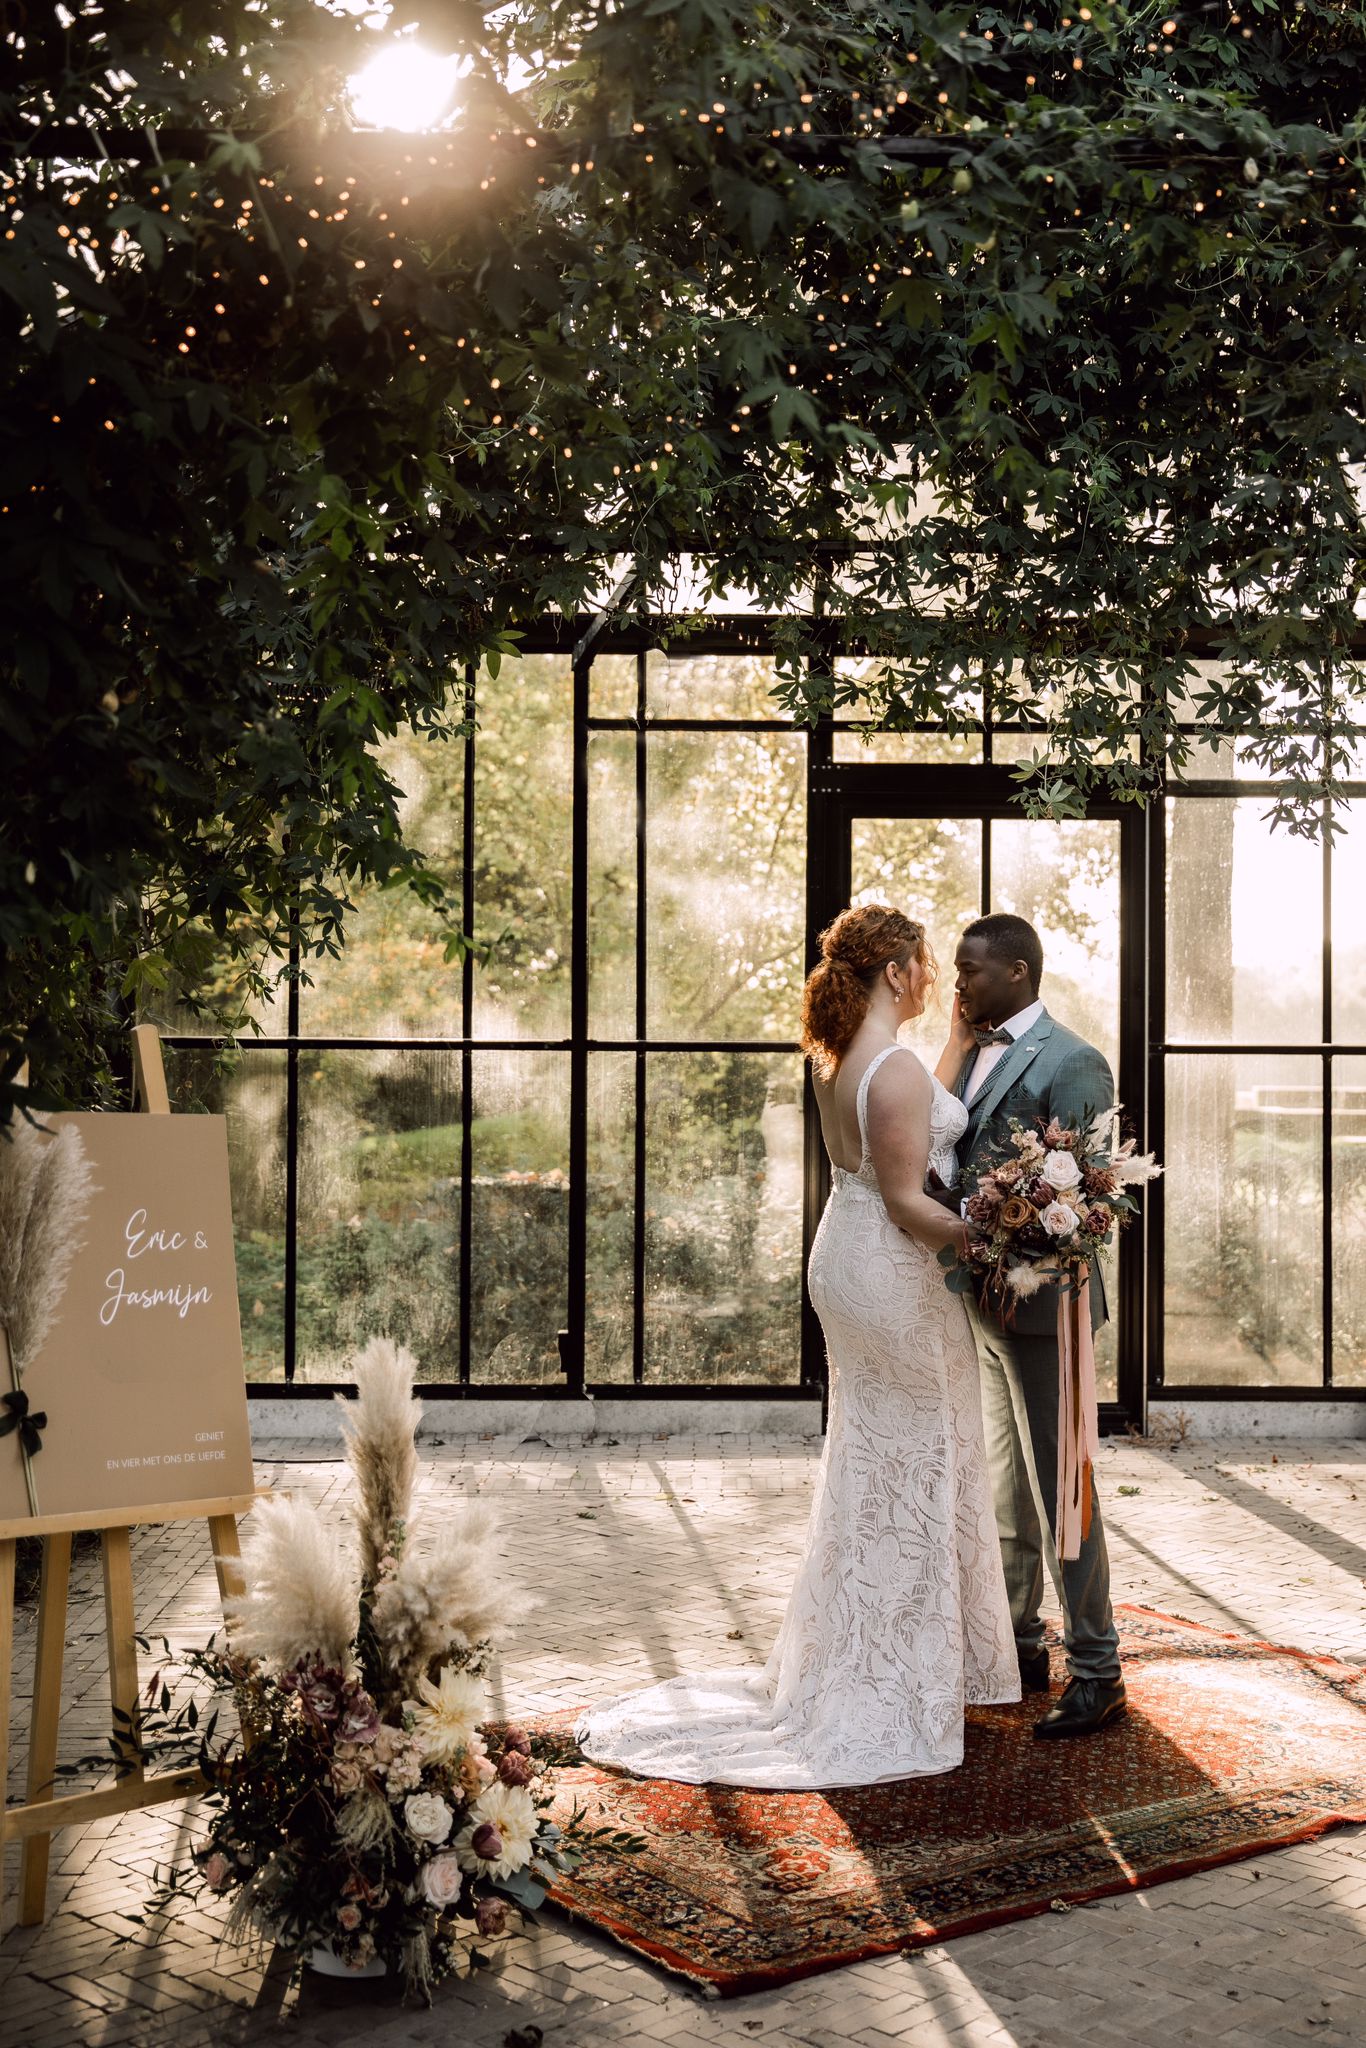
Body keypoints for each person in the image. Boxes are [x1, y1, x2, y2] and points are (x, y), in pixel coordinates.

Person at [577, 905, 1020, 1789]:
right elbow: (907, 1197)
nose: (936, 979)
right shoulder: (886, 1067)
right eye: (927, 964)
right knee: (920, 1450)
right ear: (897, 971)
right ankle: (887, 1673)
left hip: (846, 1260)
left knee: (876, 1450)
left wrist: (959, 1049)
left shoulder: (842, 1058)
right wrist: (1002, 1237)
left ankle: (867, 1646)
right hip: (892, 1269)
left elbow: (902, 1123)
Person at [945, 912, 1125, 1739]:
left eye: (971, 969)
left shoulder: (1074, 1059)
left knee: (1066, 1494)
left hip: (1050, 1309)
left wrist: (1024, 1239)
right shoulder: (973, 1052)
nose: (960, 981)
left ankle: (1099, 1671)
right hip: (985, 1305)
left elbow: (1089, 1203)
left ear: (1016, 973)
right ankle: (1019, 1646)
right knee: (1007, 1490)